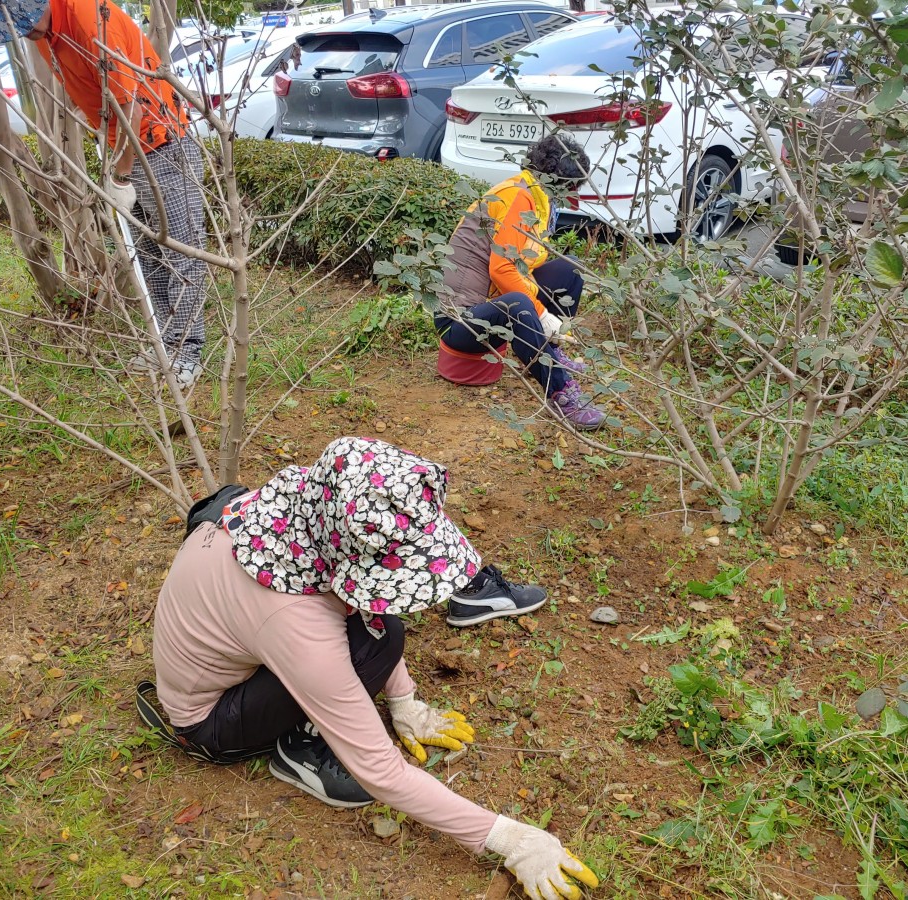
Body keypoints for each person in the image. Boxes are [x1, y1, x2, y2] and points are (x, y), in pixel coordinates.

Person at [139, 437, 598, 899]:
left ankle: (321, 718)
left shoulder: (298, 511)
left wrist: (404, 702)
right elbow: (381, 772)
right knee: (379, 641)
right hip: (211, 720)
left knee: (385, 629)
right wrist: (512, 840)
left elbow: (368, 609)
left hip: (243, 651)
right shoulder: (291, 618)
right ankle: (301, 753)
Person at [0, 0, 207, 388]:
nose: (25, 33)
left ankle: (189, 352)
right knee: (149, 252)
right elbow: (94, 93)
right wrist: (106, 145)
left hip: (162, 143)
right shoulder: (45, 30)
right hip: (122, 146)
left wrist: (122, 176)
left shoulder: (89, 21)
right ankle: (168, 344)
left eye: (23, 24)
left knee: (180, 250)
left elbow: (132, 108)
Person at [437, 133, 607, 430]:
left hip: (487, 304)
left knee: (572, 269)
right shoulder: (520, 197)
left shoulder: (533, 194)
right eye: (573, 187)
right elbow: (502, 270)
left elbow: (522, 263)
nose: (575, 198)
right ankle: (560, 392)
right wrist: (541, 314)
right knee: (519, 302)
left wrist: (542, 310)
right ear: (558, 181)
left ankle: (551, 351)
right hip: (458, 320)